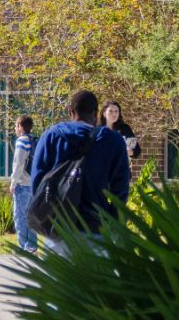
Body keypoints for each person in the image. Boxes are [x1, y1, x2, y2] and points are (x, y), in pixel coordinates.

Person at [29, 89, 130, 247]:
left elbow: (37, 182)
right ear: (97, 113)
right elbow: (121, 188)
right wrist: (112, 222)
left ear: (70, 111)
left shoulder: (51, 136)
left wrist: (45, 215)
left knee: (58, 272)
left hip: (58, 228)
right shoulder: (113, 141)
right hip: (96, 227)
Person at [9, 115, 38, 253]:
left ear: (20, 127)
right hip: (34, 184)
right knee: (31, 217)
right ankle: (32, 246)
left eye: (16, 126)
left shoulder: (21, 141)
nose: (15, 128)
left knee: (19, 217)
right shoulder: (35, 141)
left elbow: (19, 164)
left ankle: (22, 247)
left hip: (23, 184)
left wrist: (13, 182)